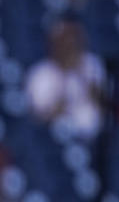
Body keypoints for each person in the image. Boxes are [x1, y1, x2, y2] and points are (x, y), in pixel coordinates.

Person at [25, 13, 106, 142]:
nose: (70, 44)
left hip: (94, 140)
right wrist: (63, 75)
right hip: (56, 140)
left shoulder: (92, 64)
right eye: (66, 40)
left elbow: (101, 103)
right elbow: (42, 119)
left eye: (74, 39)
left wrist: (80, 72)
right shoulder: (41, 74)